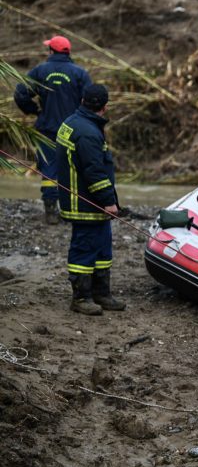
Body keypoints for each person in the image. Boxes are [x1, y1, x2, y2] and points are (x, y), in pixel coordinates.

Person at [55, 84, 125, 316]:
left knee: (103, 249)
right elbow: (94, 171)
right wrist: (108, 201)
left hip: (86, 200)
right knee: (84, 249)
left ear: (83, 100)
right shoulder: (87, 132)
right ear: (105, 107)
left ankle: (101, 293)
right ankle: (81, 297)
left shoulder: (74, 122)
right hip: (85, 203)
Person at [14, 35, 93, 224]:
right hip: (73, 131)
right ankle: (73, 209)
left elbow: (20, 93)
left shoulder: (40, 71)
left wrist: (33, 110)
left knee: (49, 168)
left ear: (51, 51)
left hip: (46, 129)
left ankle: (50, 210)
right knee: (73, 168)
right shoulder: (80, 73)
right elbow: (90, 102)